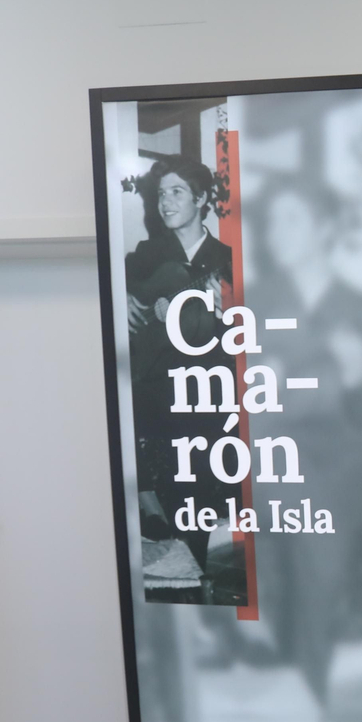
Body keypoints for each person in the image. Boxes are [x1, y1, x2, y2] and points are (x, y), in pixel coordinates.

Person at [123, 154, 239, 603]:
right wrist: (127, 302)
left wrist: (232, 313)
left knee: (204, 497)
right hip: (154, 396)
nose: (166, 202)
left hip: (208, 396)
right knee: (169, 495)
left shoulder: (229, 261)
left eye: (176, 192)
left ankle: (195, 577)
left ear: (202, 199)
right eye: (161, 193)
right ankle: (178, 582)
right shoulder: (144, 257)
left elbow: (255, 332)